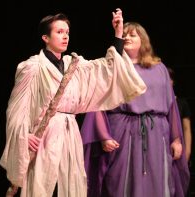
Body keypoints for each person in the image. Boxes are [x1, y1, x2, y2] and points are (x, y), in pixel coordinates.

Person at [0, 9, 147, 197]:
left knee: (71, 184)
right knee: (42, 184)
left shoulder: (75, 65)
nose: (65, 37)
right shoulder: (32, 67)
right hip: (44, 134)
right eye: (59, 32)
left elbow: (107, 69)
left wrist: (118, 34)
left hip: (70, 132)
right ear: (45, 37)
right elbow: (16, 108)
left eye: (67, 32)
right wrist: (23, 135)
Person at [81, 22, 190, 197]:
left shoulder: (159, 68)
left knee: (157, 180)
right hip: (123, 131)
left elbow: (171, 106)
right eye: (124, 35)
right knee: (120, 182)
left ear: (143, 40)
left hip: (156, 133)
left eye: (132, 35)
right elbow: (98, 103)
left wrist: (176, 139)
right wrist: (103, 136)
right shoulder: (114, 67)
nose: (127, 38)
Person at [168, 67, 192, 163]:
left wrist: (188, 151)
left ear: (173, 82)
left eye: (169, 79)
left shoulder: (182, 103)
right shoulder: (157, 104)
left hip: (179, 147)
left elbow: (186, 129)